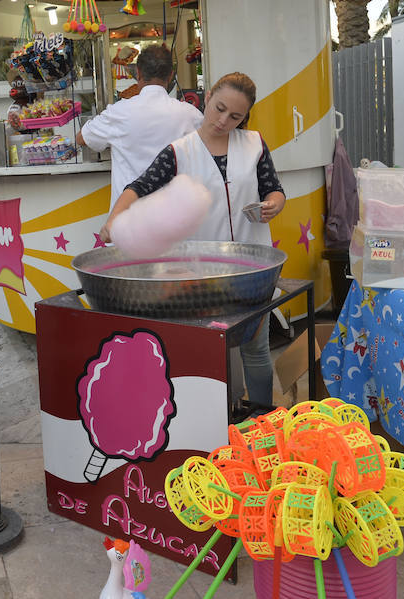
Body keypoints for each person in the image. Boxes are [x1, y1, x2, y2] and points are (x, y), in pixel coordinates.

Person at [102, 72, 286, 409]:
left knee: (256, 349)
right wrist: (115, 218)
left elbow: (272, 187)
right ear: (208, 96)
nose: (223, 120)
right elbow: (138, 187)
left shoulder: (255, 144)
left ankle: (262, 419)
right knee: (217, 350)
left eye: (235, 116)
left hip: (253, 270)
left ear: (245, 117)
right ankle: (226, 420)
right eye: (219, 109)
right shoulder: (179, 151)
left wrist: (275, 203)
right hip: (207, 275)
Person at [76, 44, 204, 210]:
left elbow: (81, 138)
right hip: (174, 217)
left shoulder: (119, 112)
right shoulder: (190, 115)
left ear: (138, 72)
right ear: (171, 75)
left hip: (129, 217)